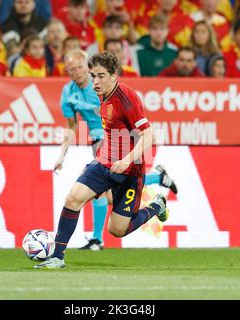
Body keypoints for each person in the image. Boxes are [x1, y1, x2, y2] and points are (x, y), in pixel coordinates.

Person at [36, 51, 170, 268]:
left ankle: (156, 205)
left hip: (130, 172)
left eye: (100, 76)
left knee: (117, 230)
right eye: (93, 75)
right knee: (73, 198)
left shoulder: (127, 99)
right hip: (104, 162)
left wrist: (127, 160)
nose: (95, 81)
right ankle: (57, 257)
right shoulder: (99, 93)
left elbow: (149, 135)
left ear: (113, 76)